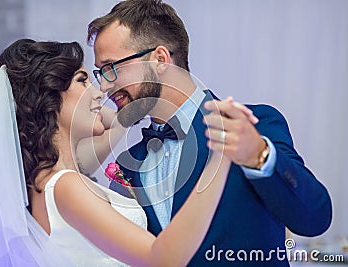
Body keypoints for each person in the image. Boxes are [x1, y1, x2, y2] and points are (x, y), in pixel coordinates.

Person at [0, 38, 237, 266]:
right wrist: (220, 157)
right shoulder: (65, 186)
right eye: (83, 80)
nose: (100, 92)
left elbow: (117, 120)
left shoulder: (53, 183)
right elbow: (163, 259)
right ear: (49, 98)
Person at [87, 0, 333, 266]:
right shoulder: (129, 164)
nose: (105, 86)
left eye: (111, 68)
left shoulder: (252, 125)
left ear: (160, 59)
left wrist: (259, 156)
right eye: (101, 73)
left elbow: (314, 218)